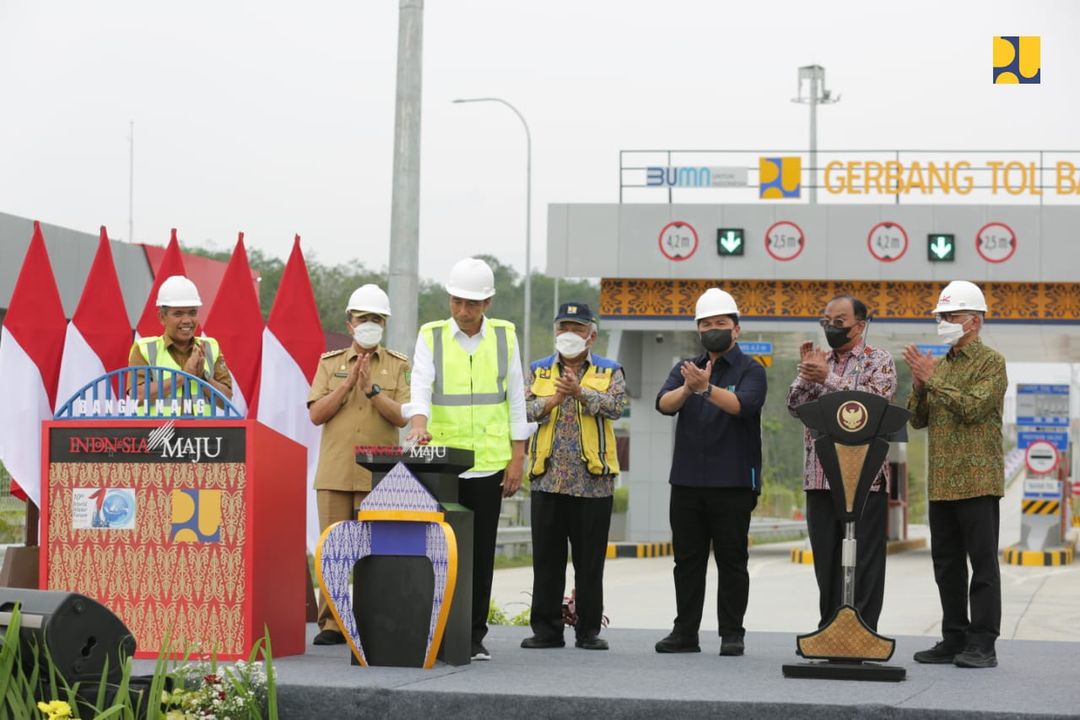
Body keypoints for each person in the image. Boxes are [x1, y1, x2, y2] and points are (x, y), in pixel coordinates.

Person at [402, 257, 534, 662]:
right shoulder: (432, 335)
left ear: (488, 303)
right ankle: (436, 631)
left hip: (490, 464)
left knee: (479, 553)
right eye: (457, 301)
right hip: (443, 463)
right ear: (449, 298)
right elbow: (420, 386)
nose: (463, 311)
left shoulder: (505, 338)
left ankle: (474, 635)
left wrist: (517, 458)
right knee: (437, 549)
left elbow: (515, 399)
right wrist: (417, 424)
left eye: (472, 304)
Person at [654, 288, 767, 656]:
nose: (713, 329)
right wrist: (689, 388)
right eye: (706, 324)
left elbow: (742, 406)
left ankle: (732, 632)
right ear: (698, 330)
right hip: (687, 481)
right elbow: (663, 404)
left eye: (721, 323)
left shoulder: (751, 369)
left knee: (733, 560)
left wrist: (705, 389)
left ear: (736, 329)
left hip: (733, 481)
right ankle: (685, 632)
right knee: (686, 561)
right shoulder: (685, 367)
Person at [902, 280, 1007, 669]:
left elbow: (975, 408)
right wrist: (918, 387)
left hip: (978, 480)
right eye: (941, 316)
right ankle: (954, 636)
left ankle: (983, 642)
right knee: (946, 564)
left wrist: (934, 380)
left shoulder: (991, 362)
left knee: (982, 564)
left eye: (951, 315)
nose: (944, 322)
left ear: (974, 322)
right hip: (942, 482)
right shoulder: (940, 365)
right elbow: (917, 421)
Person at [306, 284, 411, 646]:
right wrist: (349, 383)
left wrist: (372, 391)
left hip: (378, 476)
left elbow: (402, 417)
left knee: (374, 553)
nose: (370, 324)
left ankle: (370, 618)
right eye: (363, 318)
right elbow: (316, 414)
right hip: (335, 473)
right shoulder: (329, 363)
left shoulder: (398, 365)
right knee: (333, 551)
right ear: (349, 323)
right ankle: (332, 623)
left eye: (377, 319)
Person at [786, 294, 897, 630]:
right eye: (826, 322)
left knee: (865, 561)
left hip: (864, 479)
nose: (831, 328)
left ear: (860, 325)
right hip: (819, 477)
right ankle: (829, 629)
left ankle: (863, 631)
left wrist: (826, 380)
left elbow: (871, 406)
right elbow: (794, 406)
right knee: (827, 559)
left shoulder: (879, 360)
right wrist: (807, 376)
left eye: (839, 323)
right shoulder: (820, 359)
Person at [520, 302, 626, 652]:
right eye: (563, 327)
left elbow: (614, 408)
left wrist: (580, 392)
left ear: (591, 335)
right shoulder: (538, 370)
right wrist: (554, 399)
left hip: (593, 482)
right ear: (555, 332)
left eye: (577, 329)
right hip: (548, 478)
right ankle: (546, 631)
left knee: (589, 562)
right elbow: (525, 410)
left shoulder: (610, 370)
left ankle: (588, 630)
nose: (570, 334)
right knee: (546, 561)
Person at [129, 275, 232, 409]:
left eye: (192, 313)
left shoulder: (210, 347)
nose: (187, 320)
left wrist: (203, 377)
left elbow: (227, 401)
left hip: (202, 431)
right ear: (162, 317)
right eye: (178, 314)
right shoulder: (144, 349)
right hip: (159, 430)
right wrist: (184, 376)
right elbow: (137, 396)